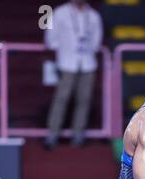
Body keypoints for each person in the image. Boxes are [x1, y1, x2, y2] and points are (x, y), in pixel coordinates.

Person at [44, 0, 103, 149]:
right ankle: (52, 133)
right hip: (66, 62)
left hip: (87, 62)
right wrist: (62, 50)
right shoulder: (59, 12)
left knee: (84, 99)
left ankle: (78, 134)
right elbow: (50, 37)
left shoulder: (94, 15)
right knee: (61, 98)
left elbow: (96, 39)